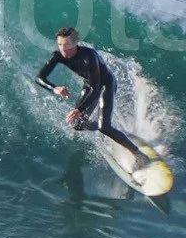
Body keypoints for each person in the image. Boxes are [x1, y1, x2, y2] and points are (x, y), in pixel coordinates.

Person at [35, 26, 144, 160]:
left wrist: (79, 110)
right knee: (77, 124)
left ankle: (138, 153)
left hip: (106, 85)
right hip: (90, 85)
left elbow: (96, 88)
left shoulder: (89, 56)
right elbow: (39, 78)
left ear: (75, 43)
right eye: (59, 44)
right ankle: (106, 128)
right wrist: (54, 88)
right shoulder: (58, 56)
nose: (63, 49)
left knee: (104, 128)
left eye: (66, 44)